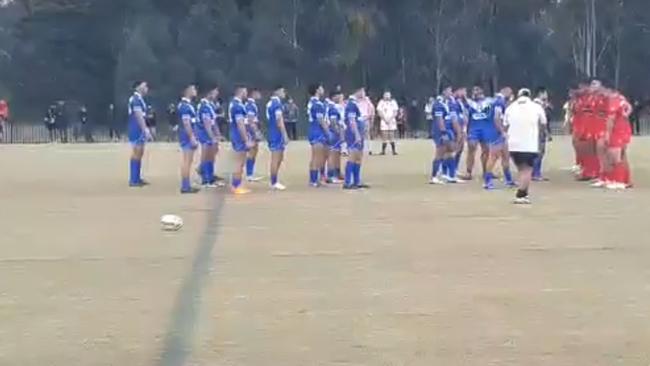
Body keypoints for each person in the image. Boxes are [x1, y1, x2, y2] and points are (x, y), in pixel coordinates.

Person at [504, 88, 547, 204]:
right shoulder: (536, 107)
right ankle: (521, 194)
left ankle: (523, 191)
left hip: (513, 144)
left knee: (521, 169)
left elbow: (505, 125)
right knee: (527, 170)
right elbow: (543, 123)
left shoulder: (510, 107)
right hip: (529, 143)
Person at [430, 87, 461, 184]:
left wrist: (458, 132)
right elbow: (439, 119)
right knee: (440, 152)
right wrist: (443, 132)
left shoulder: (450, 103)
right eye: (449, 91)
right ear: (444, 92)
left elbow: (453, 119)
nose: (451, 93)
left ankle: (451, 176)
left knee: (450, 151)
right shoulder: (438, 104)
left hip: (449, 130)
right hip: (440, 131)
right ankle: (434, 177)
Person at [603, 90, 633, 189]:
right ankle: (625, 180)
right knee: (622, 155)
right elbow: (629, 107)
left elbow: (611, 119)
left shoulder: (614, 100)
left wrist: (607, 133)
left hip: (618, 131)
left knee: (615, 156)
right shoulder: (621, 98)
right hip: (623, 130)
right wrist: (626, 114)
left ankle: (619, 181)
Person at [229, 86, 254, 195]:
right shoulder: (238, 106)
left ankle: (236, 184)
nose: (246, 93)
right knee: (239, 162)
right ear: (241, 91)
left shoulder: (234, 104)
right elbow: (240, 124)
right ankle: (236, 186)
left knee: (239, 161)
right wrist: (246, 139)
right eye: (245, 91)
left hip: (236, 135)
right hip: (238, 136)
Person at [127, 81, 153, 187]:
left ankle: (136, 177)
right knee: (137, 152)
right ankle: (133, 179)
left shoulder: (140, 99)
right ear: (137, 87)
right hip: (136, 129)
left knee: (140, 152)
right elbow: (138, 115)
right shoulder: (136, 99)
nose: (147, 87)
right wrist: (145, 129)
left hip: (138, 129)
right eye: (144, 85)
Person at [343, 87, 370, 189]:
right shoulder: (351, 104)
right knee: (353, 156)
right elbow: (352, 121)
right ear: (357, 91)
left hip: (358, 133)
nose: (364, 93)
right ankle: (347, 181)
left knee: (358, 157)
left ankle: (357, 181)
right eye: (363, 91)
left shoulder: (355, 103)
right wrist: (357, 134)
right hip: (353, 134)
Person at [196, 85, 222, 188]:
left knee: (211, 154)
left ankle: (209, 177)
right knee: (207, 155)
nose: (217, 94)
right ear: (209, 92)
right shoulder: (204, 106)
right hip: (204, 134)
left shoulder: (210, 105)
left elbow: (213, 121)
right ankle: (206, 179)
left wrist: (218, 134)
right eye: (215, 91)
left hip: (208, 134)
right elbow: (207, 124)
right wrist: (212, 137)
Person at [176, 84, 200, 194]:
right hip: (186, 136)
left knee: (188, 160)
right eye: (193, 88)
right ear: (187, 90)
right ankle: (185, 186)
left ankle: (186, 185)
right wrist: (192, 137)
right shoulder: (185, 106)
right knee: (187, 160)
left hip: (187, 135)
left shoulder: (187, 105)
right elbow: (186, 123)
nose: (195, 90)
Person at [266, 85, 290, 190]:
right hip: (276, 133)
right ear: (277, 91)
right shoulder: (276, 104)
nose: (284, 93)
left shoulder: (271, 103)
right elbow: (279, 120)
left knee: (279, 157)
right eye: (283, 91)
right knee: (276, 158)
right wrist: (284, 134)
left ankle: (274, 181)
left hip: (272, 132)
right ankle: (273, 182)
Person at [492, 87, 516, 187]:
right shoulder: (499, 102)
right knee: (495, 156)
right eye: (510, 93)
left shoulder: (499, 101)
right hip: (497, 133)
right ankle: (488, 179)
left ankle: (508, 179)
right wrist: (502, 132)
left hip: (498, 132)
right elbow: (496, 118)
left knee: (505, 156)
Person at [307, 83, 329, 187]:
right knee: (317, 157)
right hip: (317, 132)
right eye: (321, 87)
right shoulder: (318, 104)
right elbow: (320, 120)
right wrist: (327, 131)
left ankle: (313, 179)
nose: (323, 89)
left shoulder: (312, 102)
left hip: (313, 130)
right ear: (317, 90)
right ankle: (314, 180)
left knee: (315, 156)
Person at [532, 87, 552, 181]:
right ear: (541, 93)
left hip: (539, 129)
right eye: (545, 93)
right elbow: (542, 120)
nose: (546, 95)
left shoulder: (543, 104)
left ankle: (535, 172)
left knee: (539, 151)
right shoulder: (537, 105)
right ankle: (536, 173)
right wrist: (546, 132)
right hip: (538, 130)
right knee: (539, 152)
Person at [326, 90, 345, 183]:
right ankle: (331, 175)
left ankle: (337, 172)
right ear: (333, 97)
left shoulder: (335, 107)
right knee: (332, 153)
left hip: (335, 133)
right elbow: (333, 123)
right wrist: (339, 132)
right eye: (339, 96)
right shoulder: (332, 108)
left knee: (337, 153)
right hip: (333, 133)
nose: (341, 98)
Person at [245, 88, 263, 182]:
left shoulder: (252, 104)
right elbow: (250, 120)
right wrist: (256, 132)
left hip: (250, 129)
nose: (260, 94)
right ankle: (249, 174)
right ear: (254, 93)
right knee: (252, 151)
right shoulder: (250, 105)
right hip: (250, 130)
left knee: (254, 151)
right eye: (258, 92)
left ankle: (250, 173)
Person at [376, 90, 399, 155]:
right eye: (386, 95)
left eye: (388, 95)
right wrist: (384, 119)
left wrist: (390, 119)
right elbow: (379, 111)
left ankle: (393, 151)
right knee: (384, 136)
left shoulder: (393, 102)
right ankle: (383, 151)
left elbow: (395, 112)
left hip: (391, 121)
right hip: (384, 121)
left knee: (392, 135)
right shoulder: (381, 102)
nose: (387, 96)